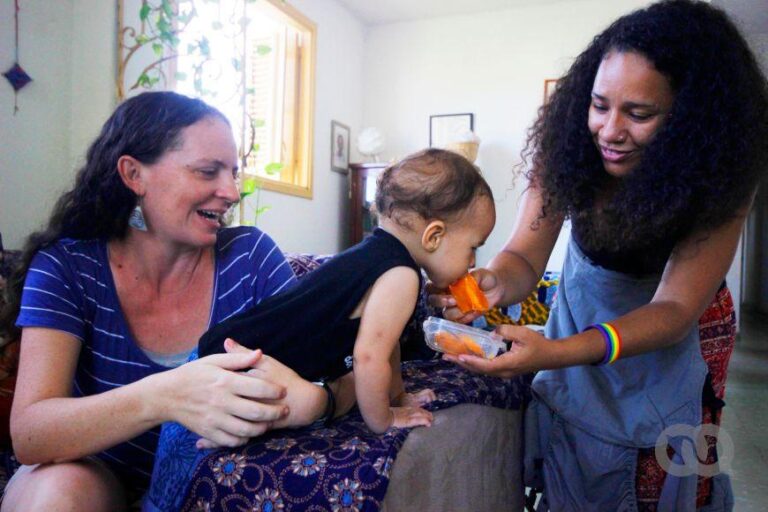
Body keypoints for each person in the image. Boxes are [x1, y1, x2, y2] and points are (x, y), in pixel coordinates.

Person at [430, 1, 767, 510]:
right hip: (586, 317)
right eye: (599, 104)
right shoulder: (566, 148)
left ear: (689, 119)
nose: (609, 130)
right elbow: (524, 254)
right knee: (577, 459)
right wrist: (497, 281)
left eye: (639, 113)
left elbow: (674, 312)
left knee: (658, 475)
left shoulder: (722, 173)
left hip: (675, 338)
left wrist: (555, 352)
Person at [0, 91, 355, 511]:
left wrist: (317, 400)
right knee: (56, 494)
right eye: (208, 171)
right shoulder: (68, 266)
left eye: (233, 173)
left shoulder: (249, 259)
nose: (232, 192)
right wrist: (167, 395)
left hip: (216, 481)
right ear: (134, 175)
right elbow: (30, 434)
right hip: (94, 470)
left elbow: (349, 377)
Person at [197, 148, 495, 433]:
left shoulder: (380, 255)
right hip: (239, 364)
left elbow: (388, 345)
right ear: (434, 235)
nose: (471, 262)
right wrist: (386, 418)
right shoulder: (401, 275)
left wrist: (398, 396)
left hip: (226, 350)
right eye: (473, 248)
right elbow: (369, 358)